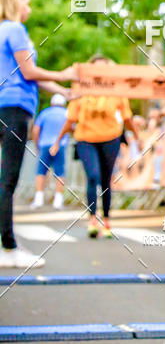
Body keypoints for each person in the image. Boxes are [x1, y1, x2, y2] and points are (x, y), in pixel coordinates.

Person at [0, 0, 76, 268]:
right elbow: (29, 72)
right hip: (15, 109)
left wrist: (65, 92)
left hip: (4, 105)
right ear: (16, 2)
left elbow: (33, 78)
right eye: (27, 3)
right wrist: (64, 73)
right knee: (7, 180)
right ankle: (8, 248)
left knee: (3, 180)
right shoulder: (15, 29)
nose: (29, 9)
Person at [50, 54, 140, 238]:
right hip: (86, 139)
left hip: (111, 138)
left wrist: (137, 137)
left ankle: (106, 219)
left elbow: (127, 117)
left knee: (106, 180)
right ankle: (92, 219)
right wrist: (57, 141)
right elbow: (70, 119)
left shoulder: (116, 90)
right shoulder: (81, 89)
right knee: (93, 176)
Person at [32, 93, 69, 210]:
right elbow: (72, 127)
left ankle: (38, 199)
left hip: (45, 144)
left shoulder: (45, 113)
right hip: (60, 145)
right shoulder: (66, 113)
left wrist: (36, 144)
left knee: (41, 171)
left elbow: (36, 130)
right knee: (60, 172)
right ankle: (58, 201)